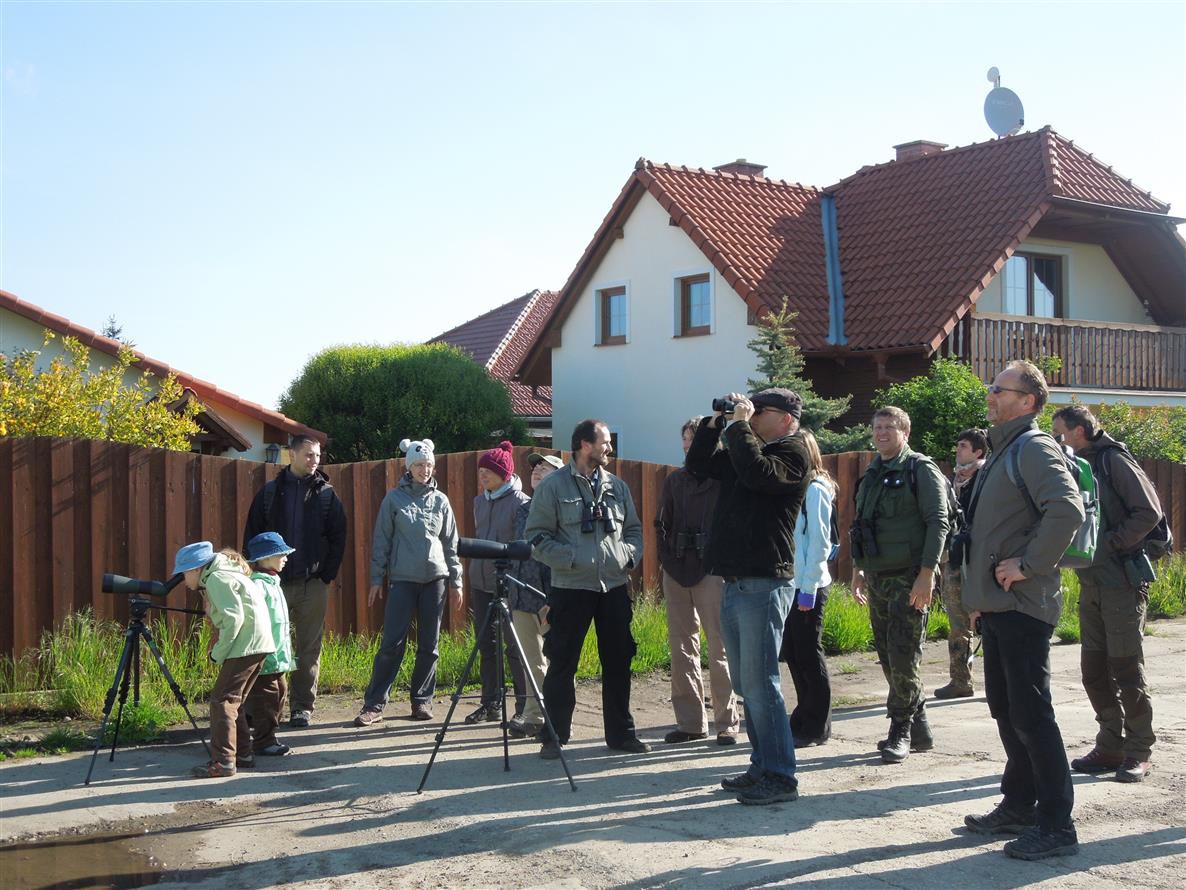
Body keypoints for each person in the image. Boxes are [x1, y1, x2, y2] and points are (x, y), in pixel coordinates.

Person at [962, 360, 1084, 861]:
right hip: (998, 606)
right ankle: (1019, 805)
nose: (990, 394)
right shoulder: (1004, 449)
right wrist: (978, 602)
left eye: (1000, 388)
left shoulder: (1033, 447)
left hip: (1024, 604)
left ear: (1028, 401)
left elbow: (1067, 509)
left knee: (1032, 716)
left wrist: (1030, 565)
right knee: (1007, 709)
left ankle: (1057, 825)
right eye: (991, 387)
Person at [686, 388, 809, 806]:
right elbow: (700, 465)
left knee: (761, 683)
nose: (752, 414)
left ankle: (781, 775)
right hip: (737, 582)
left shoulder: (793, 453)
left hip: (764, 582)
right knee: (745, 682)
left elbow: (758, 475)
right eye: (749, 409)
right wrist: (714, 425)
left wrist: (739, 426)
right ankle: (762, 765)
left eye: (761, 410)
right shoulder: (750, 451)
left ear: (786, 418)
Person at [525, 419, 648, 759]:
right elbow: (535, 537)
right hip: (570, 587)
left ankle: (621, 735)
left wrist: (626, 556)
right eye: (605, 442)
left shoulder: (617, 487)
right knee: (562, 663)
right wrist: (570, 559)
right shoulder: (553, 487)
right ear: (584, 445)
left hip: (614, 587)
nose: (610, 448)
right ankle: (554, 736)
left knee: (619, 661)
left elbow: (634, 531)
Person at [1053, 405, 1163, 783]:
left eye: (1060, 432)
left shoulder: (1113, 460)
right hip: (1092, 582)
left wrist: (1112, 544)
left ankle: (1139, 750)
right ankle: (1110, 743)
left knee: (1126, 668)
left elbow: (1148, 512)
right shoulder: (1078, 464)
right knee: (1094, 670)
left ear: (1080, 431)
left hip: (1121, 581)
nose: (1056, 439)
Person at [850, 406, 949, 765]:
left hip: (909, 576)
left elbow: (938, 521)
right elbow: (862, 524)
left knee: (905, 654)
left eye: (889, 427)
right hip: (877, 575)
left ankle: (901, 729)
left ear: (905, 433)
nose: (881, 433)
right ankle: (919, 727)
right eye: (877, 427)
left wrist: (927, 573)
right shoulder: (873, 472)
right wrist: (859, 568)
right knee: (888, 656)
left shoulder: (919, 469)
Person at [354, 438, 463, 726]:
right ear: (409, 467)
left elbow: (451, 543)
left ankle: (422, 700)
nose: (424, 470)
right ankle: (374, 704)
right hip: (402, 579)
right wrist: (376, 578)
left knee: (430, 644)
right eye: (419, 465)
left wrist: (457, 581)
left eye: (428, 465)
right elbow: (382, 541)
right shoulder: (394, 499)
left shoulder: (441, 501)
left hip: (435, 580)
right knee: (392, 643)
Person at [243, 435, 347, 728]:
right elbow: (252, 536)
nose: (315, 461)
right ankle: (263, 708)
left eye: (318, 456)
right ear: (292, 455)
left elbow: (339, 537)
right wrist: (256, 575)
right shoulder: (269, 494)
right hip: (271, 585)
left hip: (312, 584)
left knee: (308, 648)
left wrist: (325, 575)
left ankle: (302, 707)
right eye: (309, 455)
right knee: (265, 645)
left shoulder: (326, 495)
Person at [656, 417, 739, 746]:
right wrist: (668, 560)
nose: (689, 445)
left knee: (720, 648)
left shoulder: (723, 479)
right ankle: (690, 723)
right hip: (676, 569)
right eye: (686, 439)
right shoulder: (674, 480)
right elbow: (662, 524)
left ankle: (727, 722)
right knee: (681, 647)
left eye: (695, 438)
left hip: (713, 571)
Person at [174, 541, 275, 778]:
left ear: (195, 569)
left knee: (222, 702)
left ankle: (223, 762)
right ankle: (243, 754)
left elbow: (233, 620)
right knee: (233, 702)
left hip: (245, 647)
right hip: (258, 645)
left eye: (183, 574)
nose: (183, 581)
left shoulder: (217, 579)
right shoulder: (229, 574)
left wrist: (217, 653)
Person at [465, 441, 531, 726]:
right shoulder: (479, 502)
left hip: (509, 584)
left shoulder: (521, 503)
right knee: (486, 645)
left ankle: (523, 708)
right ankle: (490, 704)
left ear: (504, 474)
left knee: (515, 648)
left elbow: (522, 548)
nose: (482, 476)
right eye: (481, 471)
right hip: (481, 583)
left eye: (488, 472)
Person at [780, 428, 834, 748]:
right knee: (793, 653)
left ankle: (817, 725)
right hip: (788, 585)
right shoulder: (791, 488)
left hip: (808, 586)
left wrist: (809, 588)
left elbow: (820, 543)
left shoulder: (815, 490)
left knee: (809, 653)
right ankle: (803, 715)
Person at [507, 451, 564, 737]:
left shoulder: (563, 510)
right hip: (521, 595)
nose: (537, 470)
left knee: (557, 661)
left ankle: (558, 718)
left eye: (545, 467)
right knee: (531, 661)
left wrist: (553, 596)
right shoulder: (523, 510)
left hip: (550, 596)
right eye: (535, 467)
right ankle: (534, 717)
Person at [934, 428, 988, 700]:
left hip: (981, 561)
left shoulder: (987, 478)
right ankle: (960, 680)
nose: (957, 450)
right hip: (955, 558)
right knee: (957, 621)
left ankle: (1000, 682)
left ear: (978, 451)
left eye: (963, 446)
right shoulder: (953, 481)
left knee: (990, 622)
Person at [243, 532, 298, 759]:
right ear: (265, 558)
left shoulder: (273, 582)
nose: (286, 558)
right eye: (281, 554)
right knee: (266, 699)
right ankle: (263, 741)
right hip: (265, 655)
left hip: (278, 655)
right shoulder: (258, 585)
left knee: (280, 693)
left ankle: (269, 736)